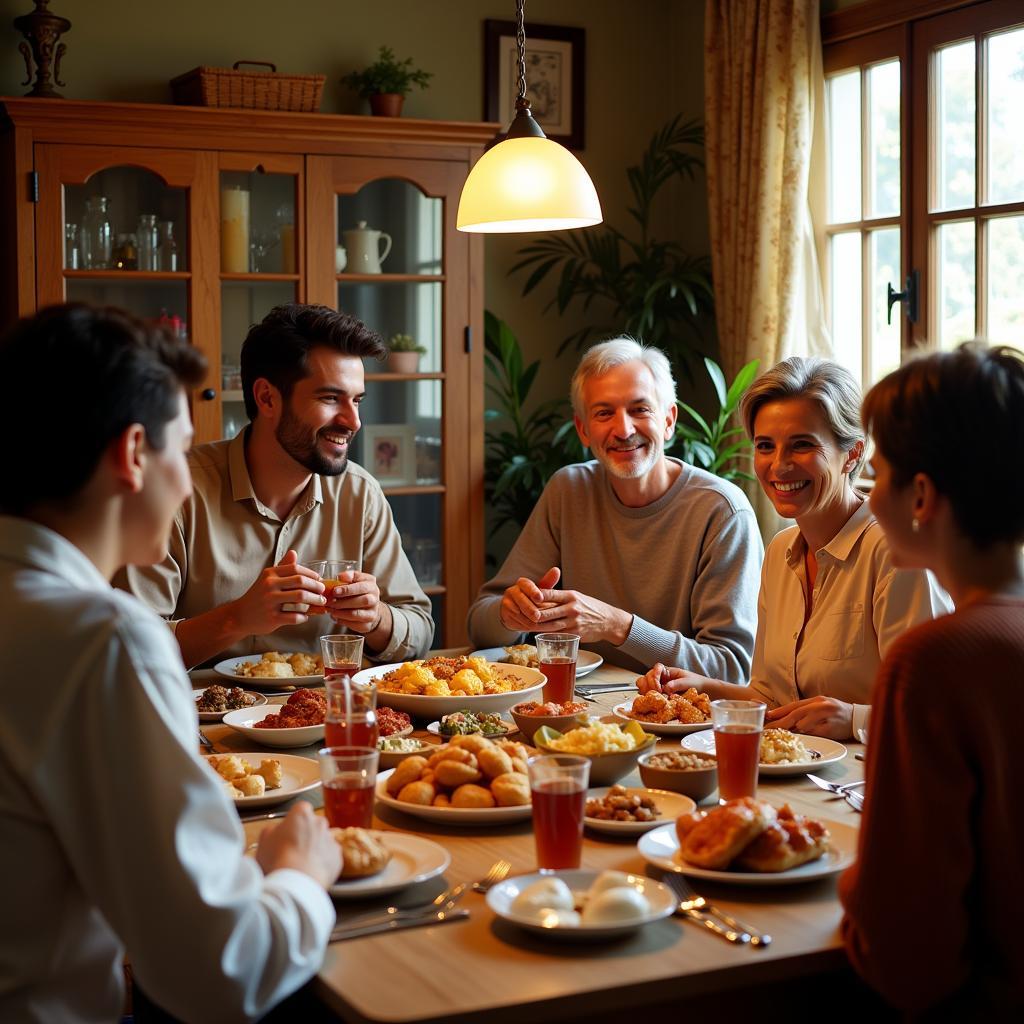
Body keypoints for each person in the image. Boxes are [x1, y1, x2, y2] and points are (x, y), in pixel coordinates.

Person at [0, 304, 341, 1022]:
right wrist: (302, 874)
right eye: (181, 454)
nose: (189, 485)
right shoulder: (104, 639)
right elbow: (219, 970)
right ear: (131, 456)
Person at [839, 344, 1024, 1014]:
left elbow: (907, 954)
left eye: (876, 473)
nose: (865, 495)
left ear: (920, 495)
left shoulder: (935, 662)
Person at [639, 357, 950, 738]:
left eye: (802, 445)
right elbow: (773, 698)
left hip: (871, 780)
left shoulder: (897, 553)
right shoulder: (780, 550)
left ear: (852, 454)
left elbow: (939, 710)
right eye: (765, 446)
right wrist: (702, 686)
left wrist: (854, 719)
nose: (779, 466)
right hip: (798, 772)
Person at [123, 303, 433, 668]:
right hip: (200, 719)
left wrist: (376, 618)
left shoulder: (360, 494)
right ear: (267, 398)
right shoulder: (177, 490)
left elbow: (421, 632)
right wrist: (236, 618)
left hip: (326, 712)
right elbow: (129, 649)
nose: (353, 421)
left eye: (357, 400)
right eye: (330, 398)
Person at [467, 337, 762, 678]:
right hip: (581, 708)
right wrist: (510, 615)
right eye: (604, 413)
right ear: (584, 430)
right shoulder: (569, 489)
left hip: (680, 723)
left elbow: (732, 669)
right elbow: (480, 624)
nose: (623, 430)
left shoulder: (722, 511)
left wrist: (618, 626)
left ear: (668, 420)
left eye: (640, 409)